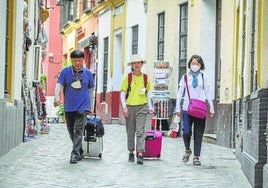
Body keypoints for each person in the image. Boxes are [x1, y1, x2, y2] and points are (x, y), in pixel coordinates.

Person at [54, 50, 95, 164]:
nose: (77, 63)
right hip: (69, 106)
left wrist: (91, 106)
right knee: (71, 131)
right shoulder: (65, 72)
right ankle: (79, 150)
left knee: (79, 130)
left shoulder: (88, 73)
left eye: (80, 60)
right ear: (71, 60)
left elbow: (91, 90)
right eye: (75, 60)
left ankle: (74, 154)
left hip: (83, 106)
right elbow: (59, 85)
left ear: (83, 60)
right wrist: (56, 98)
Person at [175, 54, 215, 166]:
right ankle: (187, 149)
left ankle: (196, 157)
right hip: (186, 108)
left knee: (198, 133)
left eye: (197, 63)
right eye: (193, 63)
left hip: (200, 109)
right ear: (190, 64)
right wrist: (177, 107)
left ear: (201, 65)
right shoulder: (185, 77)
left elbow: (207, 93)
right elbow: (179, 93)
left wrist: (211, 108)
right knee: (186, 131)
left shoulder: (204, 77)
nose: (195, 65)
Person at [120, 54, 154, 164]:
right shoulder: (128, 77)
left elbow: (148, 94)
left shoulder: (145, 78)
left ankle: (140, 153)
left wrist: (150, 107)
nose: (137, 65)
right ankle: (131, 152)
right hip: (129, 107)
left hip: (142, 107)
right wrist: (124, 107)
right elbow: (122, 93)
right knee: (130, 131)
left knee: (140, 131)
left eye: (139, 62)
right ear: (132, 65)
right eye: (134, 63)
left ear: (142, 64)